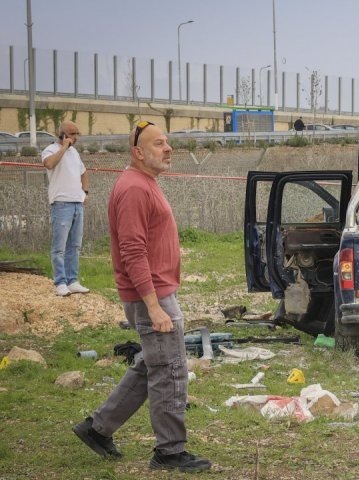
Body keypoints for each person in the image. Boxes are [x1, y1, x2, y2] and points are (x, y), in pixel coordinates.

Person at [72, 121, 211, 473]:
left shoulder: (144, 183)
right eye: (159, 143)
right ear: (138, 152)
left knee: (151, 365)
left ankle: (97, 429)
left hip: (155, 294)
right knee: (170, 371)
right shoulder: (134, 188)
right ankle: (170, 451)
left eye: (168, 143)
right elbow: (133, 251)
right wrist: (153, 306)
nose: (168, 149)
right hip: (152, 297)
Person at [42, 120, 90, 296]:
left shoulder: (75, 153)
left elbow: (83, 173)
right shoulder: (51, 150)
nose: (75, 137)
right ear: (62, 134)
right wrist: (63, 147)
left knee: (75, 245)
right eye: (72, 133)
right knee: (59, 247)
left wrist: (85, 193)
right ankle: (60, 282)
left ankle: (73, 280)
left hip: (77, 203)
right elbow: (49, 164)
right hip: (61, 204)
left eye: (77, 133)